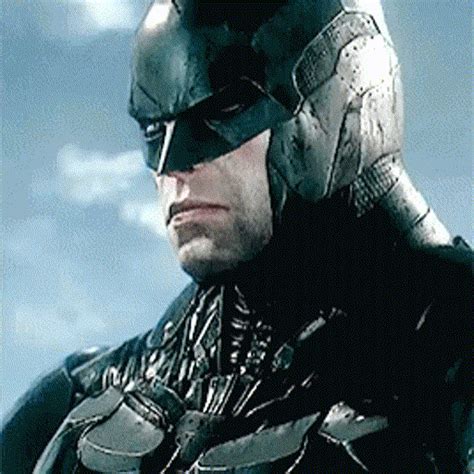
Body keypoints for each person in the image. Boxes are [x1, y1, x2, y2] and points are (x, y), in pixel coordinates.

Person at [2, 1, 472, 472]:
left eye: (223, 108)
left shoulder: (452, 361)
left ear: (335, 100)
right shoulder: (87, 394)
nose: (172, 164)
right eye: (153, 128)